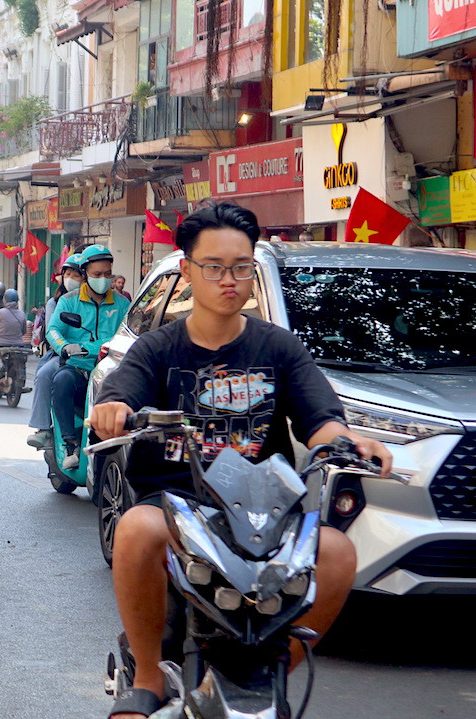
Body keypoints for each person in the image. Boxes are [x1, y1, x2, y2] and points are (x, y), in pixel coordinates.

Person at [90, 203, 391, 719]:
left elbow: (321, 419)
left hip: (262, 510)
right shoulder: (156, 349)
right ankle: (147, 677)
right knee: (136, 528)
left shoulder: (279, 347)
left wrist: (350, 441)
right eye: (213, 267)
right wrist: (113, 410)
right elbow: (119, 395)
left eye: (240, 267)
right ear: (187, 271)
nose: (229, 280)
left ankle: (270, 674)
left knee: (338, 552)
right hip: (178, 507)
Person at [45, 245, 131, 469]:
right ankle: (69, 443)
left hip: (110, 372)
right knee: (61, 380)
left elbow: (125, 334)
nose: (103, 279)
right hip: (78, 369)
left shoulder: (123, 304)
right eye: (97, 274)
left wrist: (90, 347)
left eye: (107, 274)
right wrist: (64, 346)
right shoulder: (68, 301)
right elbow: (53, 330)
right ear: (85, 274)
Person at [27, 253, 84, 448]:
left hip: (91, 354)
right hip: (63, 352)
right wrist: (65, 347)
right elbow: (53, 331)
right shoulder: (56, 302)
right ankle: (43, 428)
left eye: (76, 275)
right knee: (44, 374)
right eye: (67, 274)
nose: (71, 279)